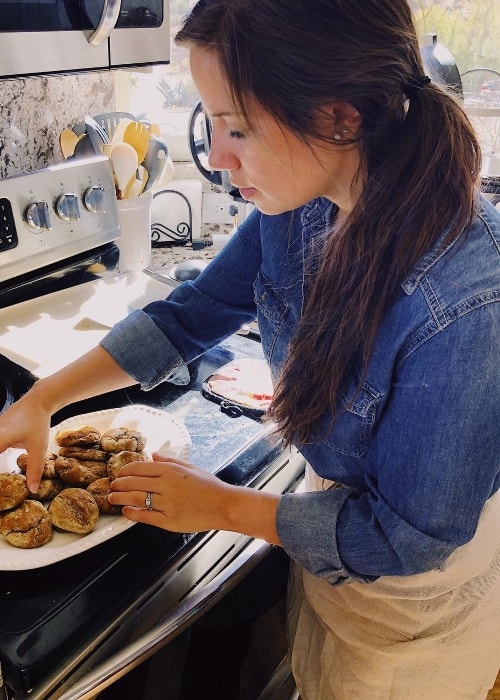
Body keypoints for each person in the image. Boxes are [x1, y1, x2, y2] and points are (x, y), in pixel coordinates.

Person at [1, 0, 499, 697]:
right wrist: (41, 400)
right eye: (210, 125)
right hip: (330, 531)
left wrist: (221, 506)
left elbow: (408, 540)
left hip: (413, 605)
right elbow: (193, 313)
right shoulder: (299, 199)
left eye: (237, 127)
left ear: (341, 117)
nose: (216, 158)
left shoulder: (465, 302)